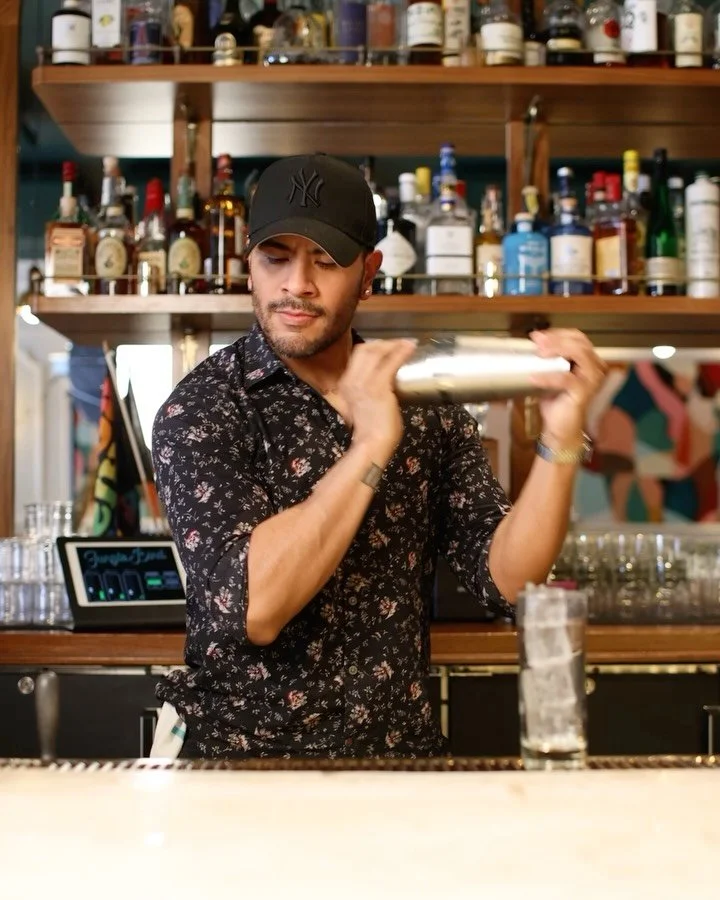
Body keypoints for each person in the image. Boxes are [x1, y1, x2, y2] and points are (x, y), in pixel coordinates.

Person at [150, 153, 607, 760]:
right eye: (276, 258)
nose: (297, 284)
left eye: (327, 260)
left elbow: (508, 581)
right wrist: (369, 445)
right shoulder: (204, 408)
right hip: (243, 775)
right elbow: (254, 607)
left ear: (369, 272)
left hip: (400, 768)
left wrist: (561, 436)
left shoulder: (425, 402)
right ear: (249, 266)